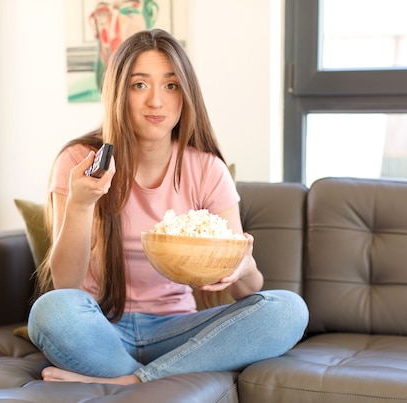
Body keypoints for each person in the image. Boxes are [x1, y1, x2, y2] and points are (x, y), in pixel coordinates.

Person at [28, 28, 309, 385]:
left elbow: (245, 291)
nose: (156, 102)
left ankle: (130, 383)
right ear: (118, 92)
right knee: (51, 311)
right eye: (139, 85)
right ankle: (157, 378)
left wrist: (245, 266)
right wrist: (82, 205)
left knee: (288, 310)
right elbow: (65, 284)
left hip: (178, 330)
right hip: (98, 326)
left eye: (171, 85)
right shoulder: (79, 161)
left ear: (186, 94)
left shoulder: (206, 169)